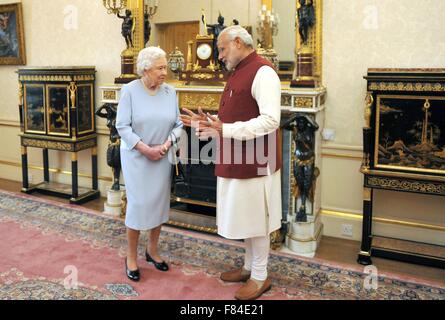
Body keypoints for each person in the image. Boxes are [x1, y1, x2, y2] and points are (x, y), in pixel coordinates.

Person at [180, 25, 282, 300]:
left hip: (256, 163)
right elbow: (234, 117)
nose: (220, 56)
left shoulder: (263, 72)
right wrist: (207, 124)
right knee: (247, 218)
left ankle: (260, 276)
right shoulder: (239, 71)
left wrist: (225, 129)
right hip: (237, 159)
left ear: (238, 42)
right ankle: (249, 267)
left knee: (258, 220)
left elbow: (271, 120)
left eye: (223, 49)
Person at [116, 46, 183, 282]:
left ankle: (152, 250)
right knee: (137, 205)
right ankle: (131, 256)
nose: (165, 72)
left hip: (162, 155)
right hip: (136, 156)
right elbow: (122, 126)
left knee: (158, 204)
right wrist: (145, 149)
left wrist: (165, 146)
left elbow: (178, 125)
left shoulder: (170, 92)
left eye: (165, 67)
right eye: (161, 67)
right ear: (146, 68)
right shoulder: (130, 91)